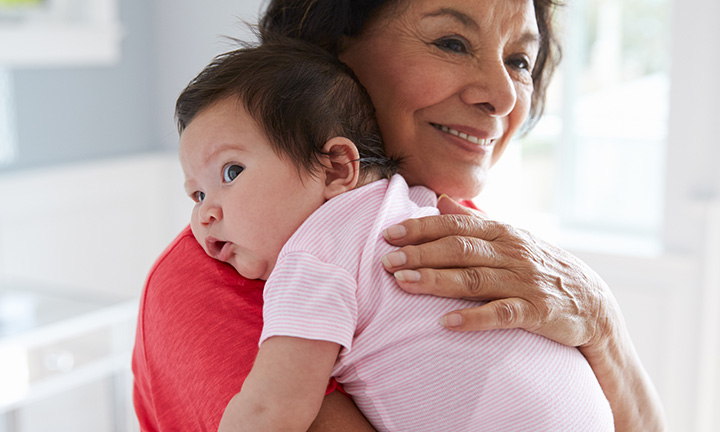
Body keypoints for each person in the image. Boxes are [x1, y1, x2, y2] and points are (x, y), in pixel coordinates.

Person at [132, 0, 667, 430]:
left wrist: (602, 321)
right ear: (330, 54)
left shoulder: (440, 218)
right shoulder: (221, 277)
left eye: (519, 61)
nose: (503, 97)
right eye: (452, 42)